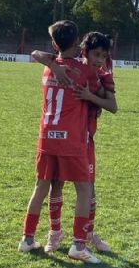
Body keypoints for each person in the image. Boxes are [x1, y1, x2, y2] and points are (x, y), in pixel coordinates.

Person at [19, 21, 101, 264]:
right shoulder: (83, 71)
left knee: (40, 187)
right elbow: (101, 93)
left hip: (46, 138)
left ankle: (27, 238)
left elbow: (35, 53)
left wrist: (53, 63)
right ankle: (78, 245)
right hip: (70, 141)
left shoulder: (48, 68)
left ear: (54, 45)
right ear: (77, 43)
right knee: (84, 189)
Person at [30, 32, 118, 255]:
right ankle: (55, 232)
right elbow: (37, 53)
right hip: (67, 137)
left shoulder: (104, 75)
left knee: (89, 189)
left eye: (104, 56)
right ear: (84, 51)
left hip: (86, 139)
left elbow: (112, 105)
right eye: (96, 54)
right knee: (56, 184)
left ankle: (87, 234)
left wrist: (90, 96)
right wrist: (55, 66)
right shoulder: (72, 66)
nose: (99, 60)